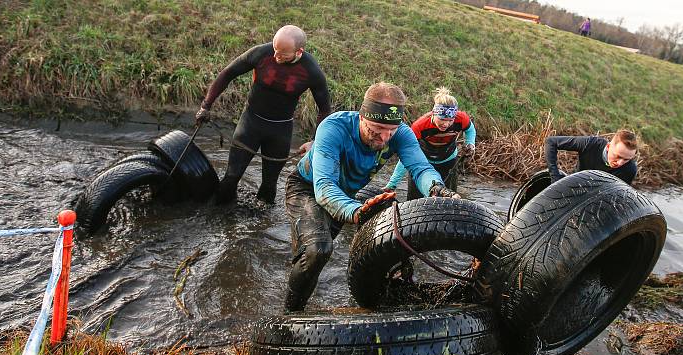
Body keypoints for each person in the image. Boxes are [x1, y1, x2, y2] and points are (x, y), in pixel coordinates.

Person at [284, 82, 460, 312]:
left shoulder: (401, 134)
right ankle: (290, 313)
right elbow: (324, 186)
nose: (384, 138)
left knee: (329, 248)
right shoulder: (334, 127)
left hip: (345, 194)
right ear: (362, 117)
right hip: (306, 188)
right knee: (318, 249)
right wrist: (356, 211)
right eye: (376, 129)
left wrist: (438, 189)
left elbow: (420, 168)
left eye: (391, 131)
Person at [195, 25, 331, 205]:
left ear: (299, 51)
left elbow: (324, 109)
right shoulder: (261, 53)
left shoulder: (310, 71)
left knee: (269, 186)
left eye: (282, 54)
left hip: (280, 131)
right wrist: (206, 106)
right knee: (231, 177)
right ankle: (221, 223)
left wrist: (314, 140)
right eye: (275, 50)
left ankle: (261, 228)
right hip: (250, 123)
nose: (276, 56)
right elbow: (228, 74)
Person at [383, 87, 476, 200]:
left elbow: (470, 130)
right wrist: (392, 184)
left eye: (450, 120)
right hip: (422, 163)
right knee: (414, 201)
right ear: (434, 114)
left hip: (448, 162)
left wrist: (470, 144)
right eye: (442, 119)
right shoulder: (419, 126)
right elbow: (406, 157)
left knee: (450, 199)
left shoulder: (461, 118)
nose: (446, 124)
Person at [544, 129, 638, 185]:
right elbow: (551, 142)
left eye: (626, 159)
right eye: (618, 156)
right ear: (608, 147)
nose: (620, 163)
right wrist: (554, 176)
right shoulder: (590, 144)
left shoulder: (630, 169)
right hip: (574, 185)